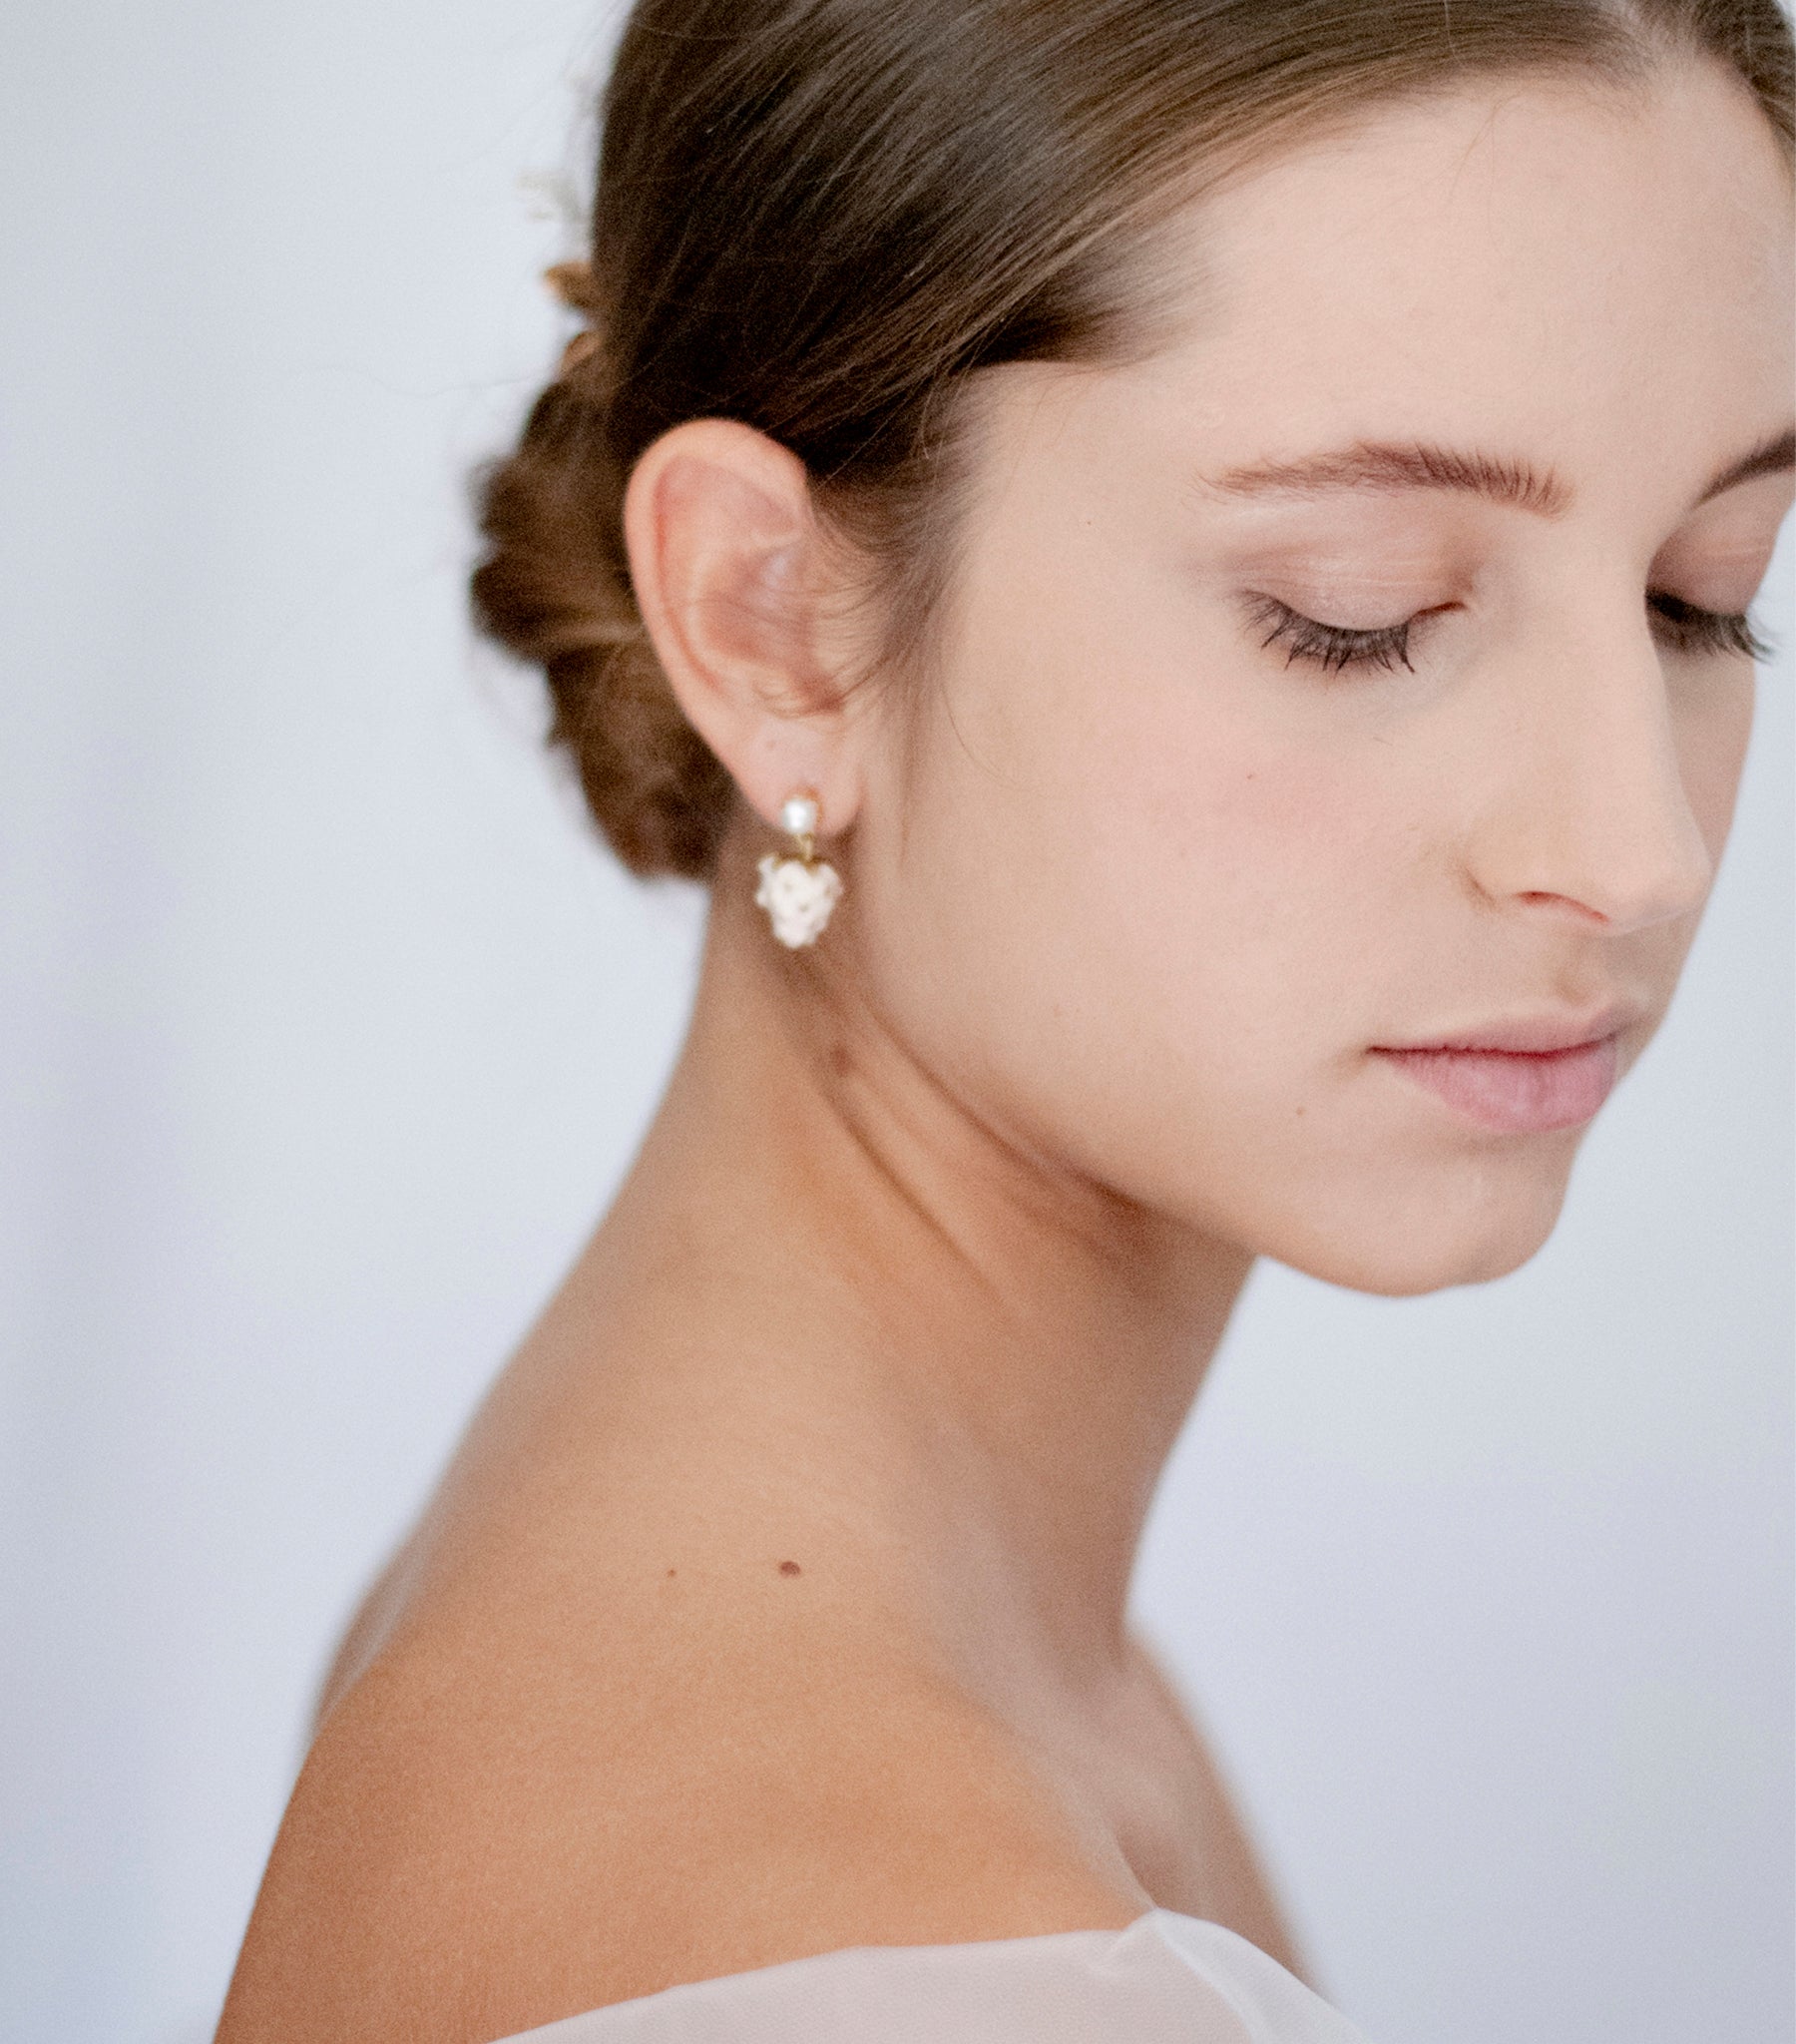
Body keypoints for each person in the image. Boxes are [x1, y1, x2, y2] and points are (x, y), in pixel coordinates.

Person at [214, 1, 1795, 2037]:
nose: (1637, 843)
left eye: (1702, 590)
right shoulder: (870, 1930)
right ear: (772, 626)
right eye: (1360, 607)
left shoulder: (915, 1675)